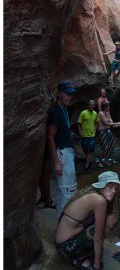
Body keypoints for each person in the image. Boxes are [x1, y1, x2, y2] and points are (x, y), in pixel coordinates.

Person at [55, 171, 120, 270]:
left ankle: (86, 252)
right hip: (66, 246)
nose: (114, 191)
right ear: (101, 186)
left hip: (62, 239)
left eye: (116, 188)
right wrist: (97, 265)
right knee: (101, 228)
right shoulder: (99, 200)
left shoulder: (92, 194)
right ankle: (79, 258)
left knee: (108, 220)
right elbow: (98, 237)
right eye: (110, 186)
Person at [47, 81, 77, 218]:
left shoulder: (64, 109)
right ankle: (66, 229)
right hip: (62, 153)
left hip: (67, 152)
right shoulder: (54, 111)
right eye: (67, 94)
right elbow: (50, 137)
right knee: (68, 192)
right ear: (59, 93)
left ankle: (61, 226)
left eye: (71, 94)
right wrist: (56, 162)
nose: (69, 97)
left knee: (62, 192)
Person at [97, 102, 120, 167]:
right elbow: (106, 123)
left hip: (108, 131)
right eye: (108, 106)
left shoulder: (107, 113)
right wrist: (117, 123)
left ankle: (105, 160)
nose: (109, 108)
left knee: (112, 145)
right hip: (102, 132)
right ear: (105, 107)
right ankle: (100, 161)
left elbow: (111, 123)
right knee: (105, 148)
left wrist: (117, 125)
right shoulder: (101, 113)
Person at [77, 100, 98, 172]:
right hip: (84, 135)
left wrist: (95, 130)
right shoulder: (83, 113)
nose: (92, 106)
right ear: (88, 105)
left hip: (91, 135)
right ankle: (88, 162)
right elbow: (79, 123)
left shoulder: (95, 113)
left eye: (93, 105)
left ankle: (87, 166)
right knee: (85, 150)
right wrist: (80, 132)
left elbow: (96, 122)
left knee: (89, 150)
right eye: (91, 105)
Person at [36, 142, 56, 209]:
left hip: (41, 148)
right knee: (46, 172)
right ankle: (48, 200)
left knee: (42, 173)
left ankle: (44, 196)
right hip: (45, 148)